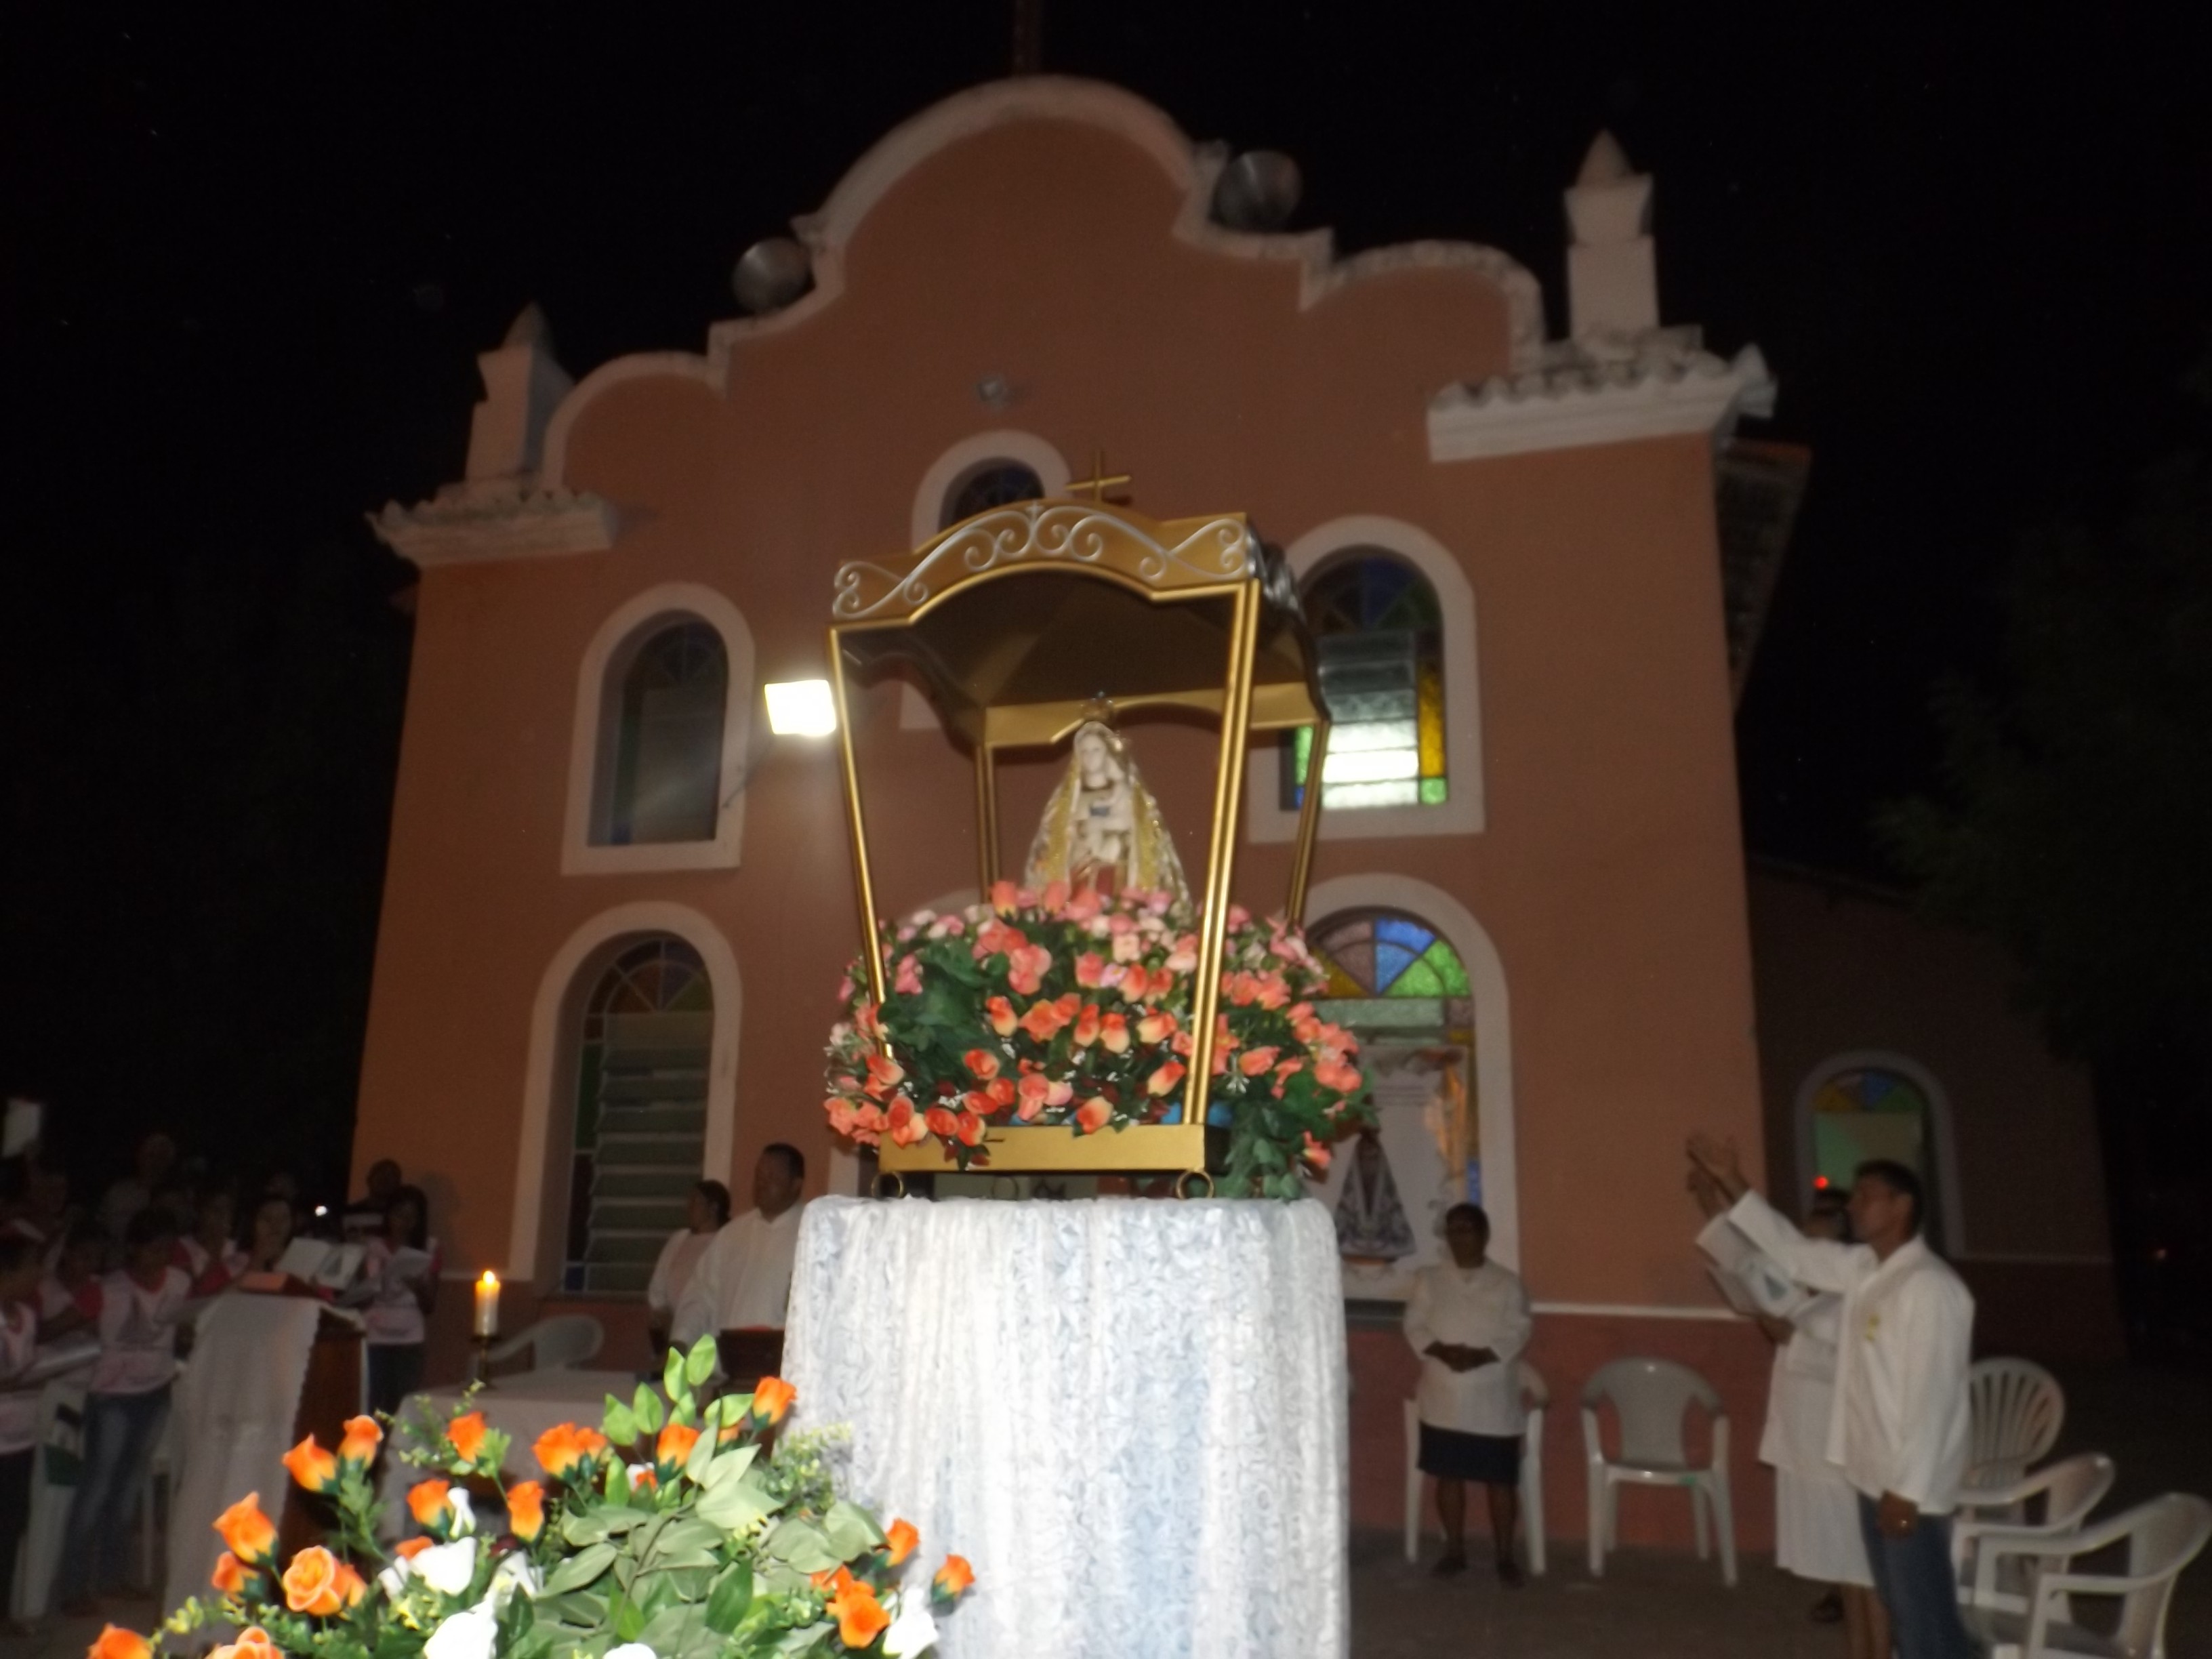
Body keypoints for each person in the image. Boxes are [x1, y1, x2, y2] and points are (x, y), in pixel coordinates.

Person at [1688, 1134, 1975, 1659]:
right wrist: (1732, 1181)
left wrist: (1906, 1493)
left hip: (1906, 1485)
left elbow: (1934, 1399)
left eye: (1867, 1195)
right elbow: (1793, 1252)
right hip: (1869, 1473)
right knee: (1904, 1612)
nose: (1853, 1204)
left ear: (1902, 1205)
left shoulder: (1929, 1287)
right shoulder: (1866, 1271)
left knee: (1926, 1624)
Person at [1691, 1171, 1883, 1659]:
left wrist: (1792, 1338)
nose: (1803, 1259)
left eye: (1815, 1246)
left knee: (1864, 1569)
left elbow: (1857, 1364)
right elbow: (1751, 1256)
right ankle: (1860, 1650)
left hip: (1840, 1445)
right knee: (1846, 1567)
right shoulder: (1808, 1297)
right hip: (1808, 1440)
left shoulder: (1857, 1297)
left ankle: (1877, 1651)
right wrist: (1711, 1202)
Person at [54, 1206, 194, 1612]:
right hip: (112, 1397)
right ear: (134, 1249)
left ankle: (112, 1578)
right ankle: (74, 1587)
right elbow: (58, 1325)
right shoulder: (108, 1288)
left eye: (166, 1251)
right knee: (97, 1488)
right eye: (152, 1250)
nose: (159, 1260)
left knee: (129, 1486)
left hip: (154, 1391)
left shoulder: (180, 1282)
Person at [1403, 1202, 1533, 1585]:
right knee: (1449, 1476)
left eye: (1467, 1230)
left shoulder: (1508, 1283)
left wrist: (1483, 1355)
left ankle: (1505, 1557)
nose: (1460, 1238)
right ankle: (1455, 1551)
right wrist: (1443, 1350)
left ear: (1485, 1235)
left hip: (1492, 1396)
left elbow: (1518, 1329)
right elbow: (1414, 1324)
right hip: (1443, 1394)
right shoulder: (1430, 1279)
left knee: (1500, 1481)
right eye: (1453, 1231)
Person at [673, 1147, 805, 1360]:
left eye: (772, 1176)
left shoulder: (811, 1232)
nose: (761, 1183)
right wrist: (682, 1339)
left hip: (782, 1367)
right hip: (730, 1364)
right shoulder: (731, 1235)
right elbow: (701, 1294)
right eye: (759, 1175)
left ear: (796, 1185)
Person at [358, 1185, 438, 1416]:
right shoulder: (371, 1247)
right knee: (369, 1401)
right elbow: (361, 1296)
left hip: (409, 1338)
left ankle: (393, 1450)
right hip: (374, 1332)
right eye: (399, 1215)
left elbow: (430, 1305)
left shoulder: (429, 1247)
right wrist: (373, 1285)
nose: (405, 1222)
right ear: (389, 1215)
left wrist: (418, 1286)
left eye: (412, 1217)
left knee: (401, 1406)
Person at [0, 1238, 46, 1624]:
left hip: (22, 1435)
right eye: (31, 1267)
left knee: (13, 1525)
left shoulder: (28, 1316)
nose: (38, 1276)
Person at [648, 1179, 731, 1355]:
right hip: (672, 1331)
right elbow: (659, 1286)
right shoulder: (679, 1239)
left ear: (713, 1208)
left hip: (709, 1334)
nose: (689, 1207)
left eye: (696, 1201)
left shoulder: (727, 1241)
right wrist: (665, 1317)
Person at [97, 1132, 178, 1247]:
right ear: (139, 1156)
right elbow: (103, 1229)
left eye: (162, 1157)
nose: (156, 1163)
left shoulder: (175, 1199)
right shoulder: (118, 1192)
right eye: (151, 1155)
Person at [342, 1158, 403, 1244]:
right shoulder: (350, 1212)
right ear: (369, 1179)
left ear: (398, 1183)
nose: (385, 1180)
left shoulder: (401, 1216)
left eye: (391, 1176)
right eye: (380, 1175)